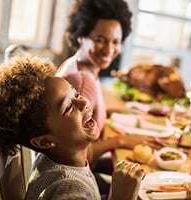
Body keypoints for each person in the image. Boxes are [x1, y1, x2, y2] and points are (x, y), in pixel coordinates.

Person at [0, 55, 144, 200]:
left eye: (76, 94)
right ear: (45, 141)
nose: (84, 102)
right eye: (68, 108)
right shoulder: (70, 190)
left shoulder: (53, 160)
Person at [57, 0, 159, 168]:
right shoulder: (82, 80)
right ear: (81, 36)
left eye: (115, 42)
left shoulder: (78, 65)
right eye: (100, 40)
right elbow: (72, 154)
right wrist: (121, 141)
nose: (108, 49)